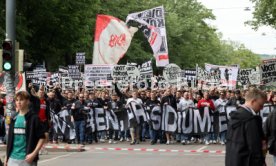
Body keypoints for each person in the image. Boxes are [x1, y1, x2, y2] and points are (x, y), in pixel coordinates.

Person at [225, 88, 267, 166]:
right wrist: (261, 162)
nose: (262, 108)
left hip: (232, 161)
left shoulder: (234, 116)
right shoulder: (251, 120)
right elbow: (255, 148)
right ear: (253, 101)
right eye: (261, 105)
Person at [5, 91, 45, 166]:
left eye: (21, 100)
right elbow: (10, 139)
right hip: (12, 158)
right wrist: (7, 157)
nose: (18, 102)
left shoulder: (34, 118)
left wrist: (33, 154)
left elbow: (42, 137)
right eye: (17, 100)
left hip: (27, 158)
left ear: (27, 101)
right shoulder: (13, 118)